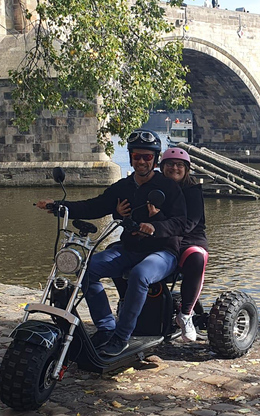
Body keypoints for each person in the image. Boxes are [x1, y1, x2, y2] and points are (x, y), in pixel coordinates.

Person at [36, 129, 187, 356]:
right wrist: (59, 206)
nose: (142, 161)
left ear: (155, 159)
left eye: (147, 157)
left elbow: (181, 223)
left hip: (163, 252)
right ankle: (107, 328)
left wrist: (156, 226)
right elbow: (95, 206)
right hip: (130, 248)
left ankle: (121, 337)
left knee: (140, 274)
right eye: (137, 156)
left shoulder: (169, 187)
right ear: (130, 157)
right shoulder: (123, 187)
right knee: (87, 269)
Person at [157, 147, 208, 342]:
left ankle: (185, 314)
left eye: (180, 165)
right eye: (170, 164)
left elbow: (189, 224)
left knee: (196, 258)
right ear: (162, 167)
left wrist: (157, 221)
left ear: (187, 169)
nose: (174, 168)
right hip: (163, 238)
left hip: (189, 238)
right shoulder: (155, 187)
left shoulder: (192, 192)